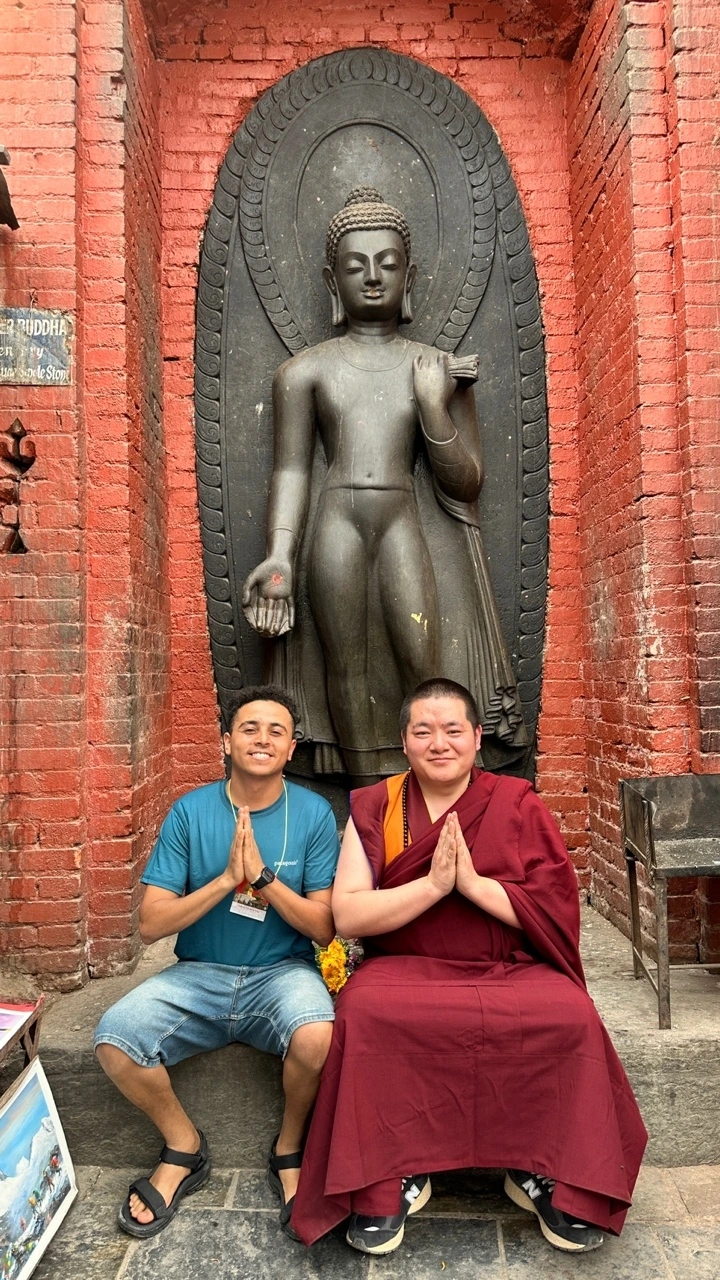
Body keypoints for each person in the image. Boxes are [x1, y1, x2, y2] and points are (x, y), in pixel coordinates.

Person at [290, 677, 647, 1255]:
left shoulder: (518, 802)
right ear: (404, 741)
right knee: (366, 1012)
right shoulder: (377, 805)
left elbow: (553, 905)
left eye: (453, 730)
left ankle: (540, 1168)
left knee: (571, 1015)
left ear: (478, 737)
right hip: (405, 965)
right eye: (423, 731)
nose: (439, 743)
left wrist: (473, 885)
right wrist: (433, 887)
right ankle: (392, 1171)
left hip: (509, 965)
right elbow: (349, 914)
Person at [242, 187, 526, 784]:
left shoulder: (437, 368)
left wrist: (433, 405)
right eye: (356, 266)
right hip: (336, 522)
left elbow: (466, 483)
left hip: (402, 520)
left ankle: (434, 791)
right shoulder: (304, 372)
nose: (373, 277)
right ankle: (368, 798)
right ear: (333, 282)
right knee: (344, 664)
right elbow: (291, 470)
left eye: (388, 264)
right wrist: (279, 553)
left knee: (423, 658)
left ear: (409, 276)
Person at [94, 685, 339, 1239]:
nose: (262, 739)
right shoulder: (191, 811)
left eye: (277, 731)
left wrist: (263, 879)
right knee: (115, 1037)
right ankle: (183, 1146)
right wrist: (227, 880)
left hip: (281, 973)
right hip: (199, 974)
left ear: (292, 748)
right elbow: (152, 923)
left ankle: (289, 1146)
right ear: (227, 742)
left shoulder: (313, 814)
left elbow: (324, 927)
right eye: (249, 728)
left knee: (317, 1034)